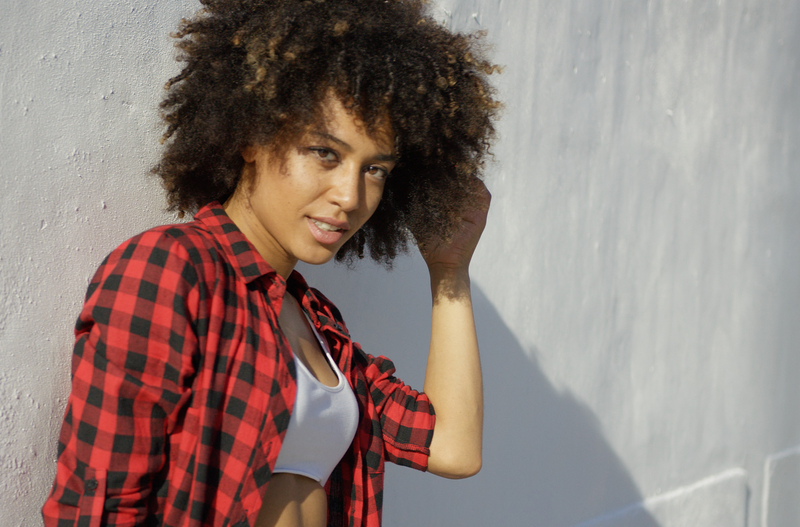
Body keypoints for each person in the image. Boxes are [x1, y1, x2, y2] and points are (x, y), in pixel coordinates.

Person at [42, 0, 500, 525]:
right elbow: (96, 509)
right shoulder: (173, 270)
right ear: (253, 137)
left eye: (374, 169)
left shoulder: (319, 323)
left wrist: (449, 271)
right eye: (325, 153)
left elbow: (452, 447)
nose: (350, 196)